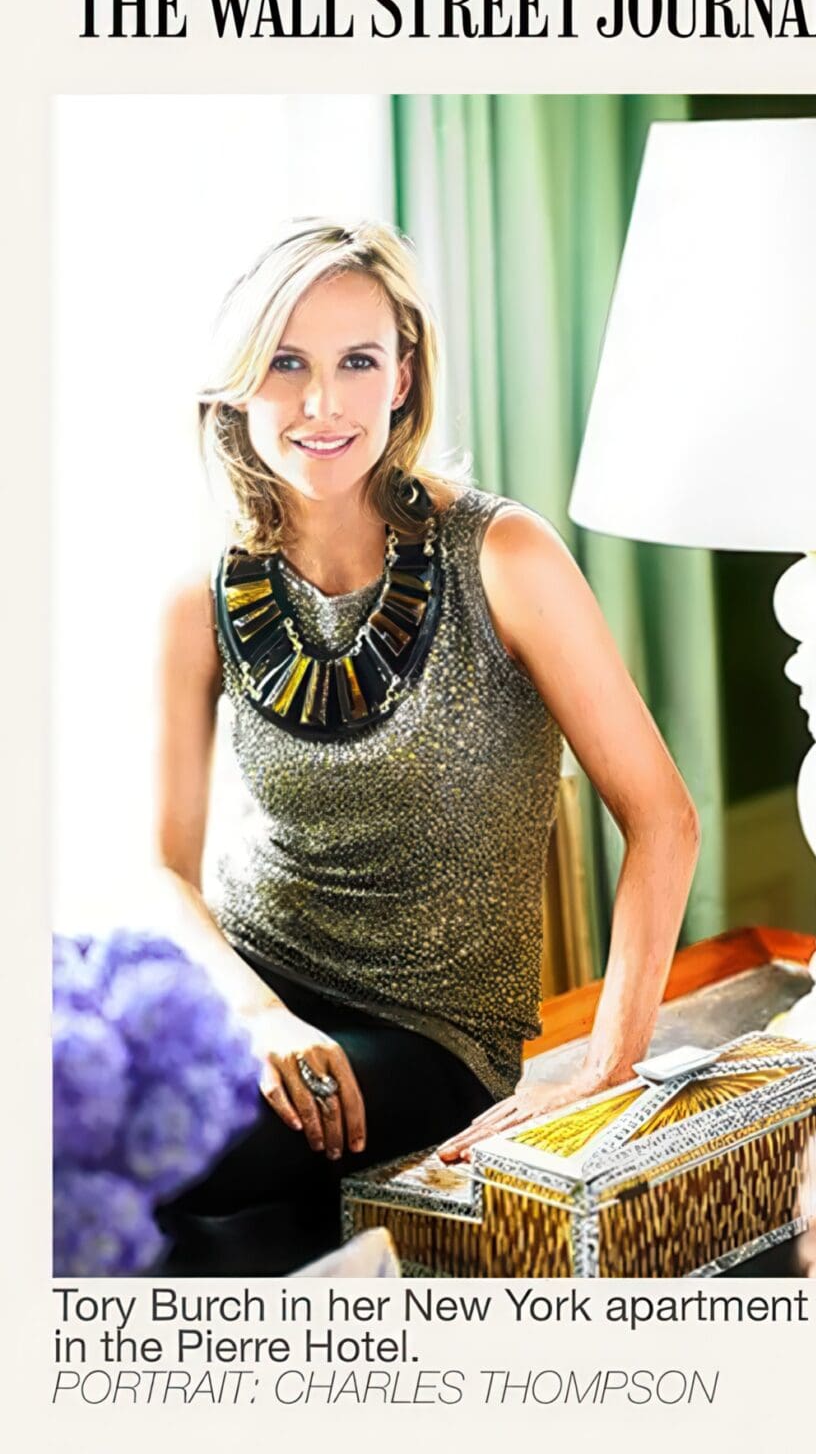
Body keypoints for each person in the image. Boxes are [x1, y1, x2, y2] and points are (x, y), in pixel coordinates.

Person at [154, 218, 700, 1275]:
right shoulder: (198, 599)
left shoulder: (503, 554)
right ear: (234, 388)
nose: (322, 404)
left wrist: (606, 1067)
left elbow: (663, 818)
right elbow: (163, 870)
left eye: (357, 361)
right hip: (255, 994)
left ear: (403, 375)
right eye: (285, 363)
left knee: (152, 1155)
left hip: (430, 1036)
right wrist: (258, 1014)